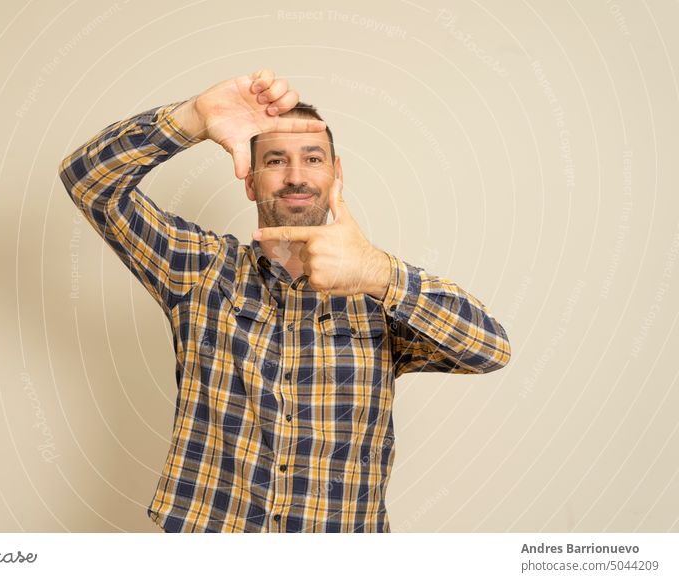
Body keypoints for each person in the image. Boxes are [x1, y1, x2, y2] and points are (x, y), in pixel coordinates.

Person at [58, 69, 511, 533]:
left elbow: (490, 350)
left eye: (313, 158)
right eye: (276, 161)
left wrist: (378, 272)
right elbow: (88, 181)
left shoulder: (381, 292)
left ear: (336, 174)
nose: (296, 177)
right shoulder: (202, 270)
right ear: (251, 182)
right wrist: (193, 117)